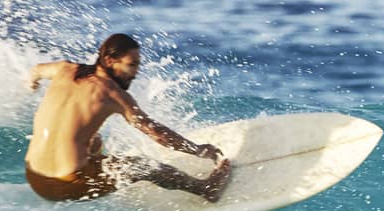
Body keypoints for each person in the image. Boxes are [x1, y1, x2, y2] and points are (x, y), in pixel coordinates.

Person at [23, 33, 231, 202]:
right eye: (131, 65)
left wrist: (32, 84)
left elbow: (36, 70)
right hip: (65, 185)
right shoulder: (114, 95)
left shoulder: (65, 69)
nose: (135, 73)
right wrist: (198, 150)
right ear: (109, 60)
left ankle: (91, 166)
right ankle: (206, 189)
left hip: (34, 177)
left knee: (94, 141)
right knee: (142, 166)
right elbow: (158, 135)